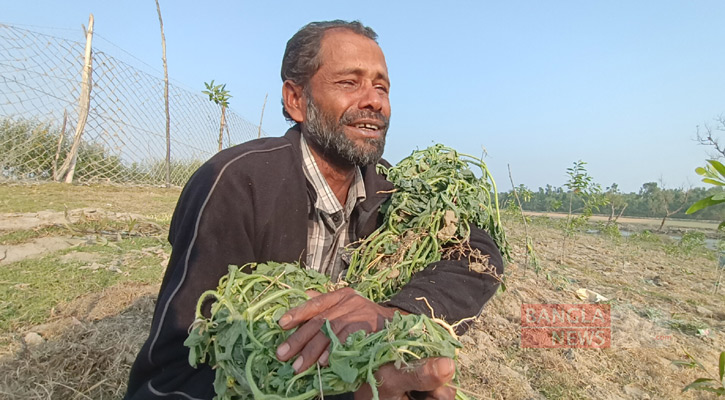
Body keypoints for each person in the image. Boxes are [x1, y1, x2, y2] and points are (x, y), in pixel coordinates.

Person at [125, 20, 503, 400]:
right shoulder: (237, 184)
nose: (374, 100)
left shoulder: (394, 190)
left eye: (381, 86)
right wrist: (353, 392)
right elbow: (169, 378)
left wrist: (394, 316)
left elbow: (479, 255)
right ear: (296, 100)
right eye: (349, 83)